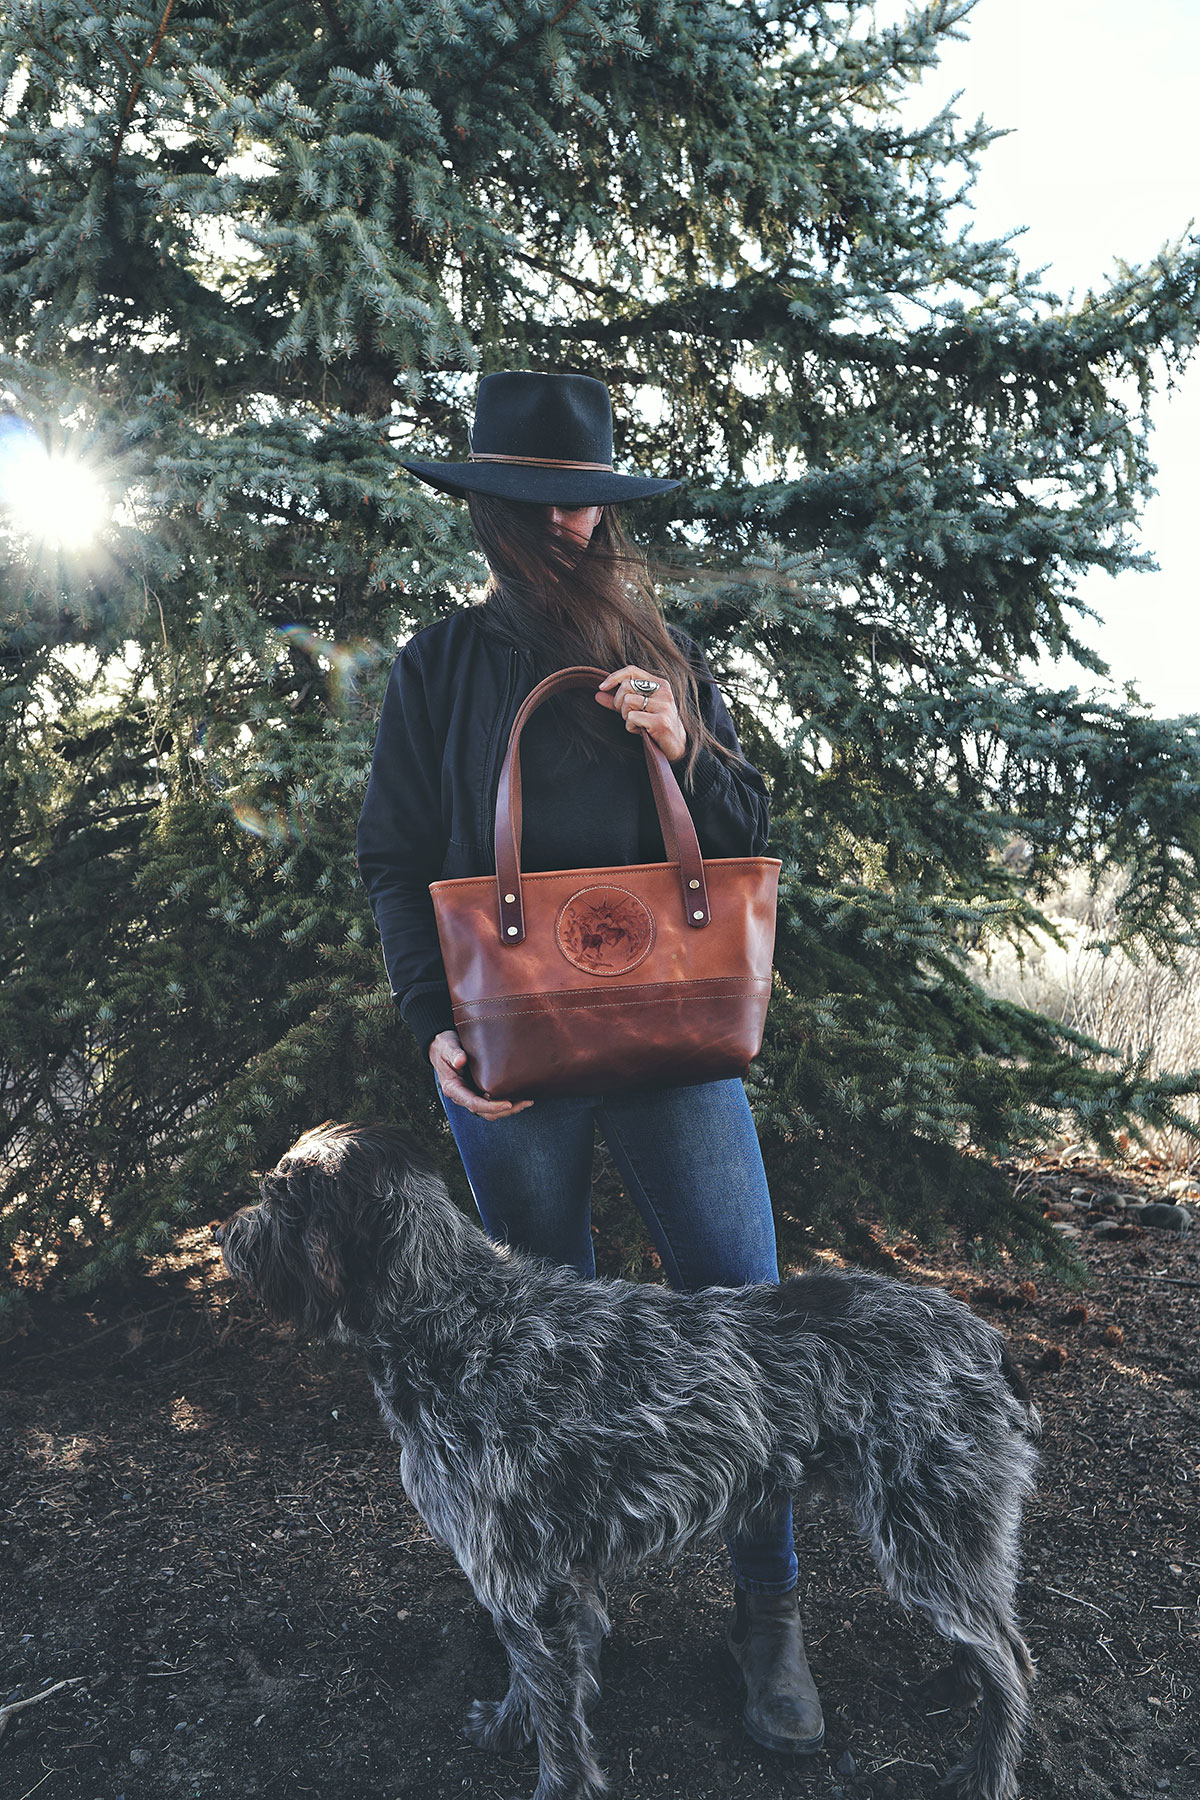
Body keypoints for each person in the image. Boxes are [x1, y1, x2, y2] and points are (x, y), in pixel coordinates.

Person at [356, 370, 823, 1756]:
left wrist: (682, 739)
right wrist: (428, 1019)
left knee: (745, 1324)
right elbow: (394, 860)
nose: (570, 525)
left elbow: (738, 831)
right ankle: (548, 1628)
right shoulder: (438, 666)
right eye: (543, 502)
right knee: (527, 1364)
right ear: (497, 507)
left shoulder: (660, 650)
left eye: (588, 502)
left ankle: (770, 1612)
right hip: (511, 1056)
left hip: (677, 1047)